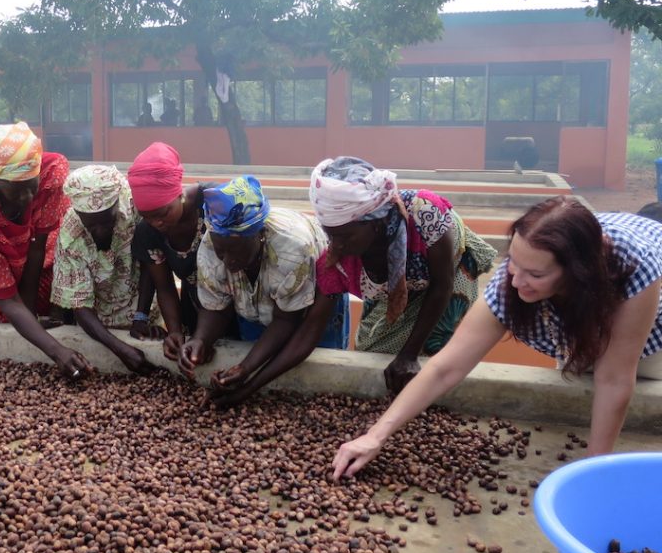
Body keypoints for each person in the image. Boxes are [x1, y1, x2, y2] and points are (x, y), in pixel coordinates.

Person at [333, 197, 662, 480]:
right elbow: (445, 367)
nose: (517, 281)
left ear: (578, 273)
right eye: (513, 262)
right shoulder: (515, 277)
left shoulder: (636, 267)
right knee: (579, 366)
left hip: (650, 311)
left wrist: (593, 471)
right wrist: (376, 435)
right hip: (579, 303)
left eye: (535, 274)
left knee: (629, 372)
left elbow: (615, 379)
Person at [306, 156, 498, 394]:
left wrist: (409, 354)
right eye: (330, 234)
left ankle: (424, 397)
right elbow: (312, 326)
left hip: (445, 276)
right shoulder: (339, 259)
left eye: (344, 236)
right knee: (372, 348)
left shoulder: (425, 212)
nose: (336, 245)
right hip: (394, 285)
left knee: (432, 352)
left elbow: (442, 285)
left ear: (375, 224)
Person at [179, 176, 349, 407]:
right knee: (258, 361)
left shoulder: (292, 250)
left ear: (259, 235)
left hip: (309, 304)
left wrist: (247, 369)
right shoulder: (210, 246)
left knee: (316, 382)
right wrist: (201, 339)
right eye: (222, 252)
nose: (228, 261)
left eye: (236, 251)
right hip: (255, 306)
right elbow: (216, 307)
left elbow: (286, 320)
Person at [0, 121, 93, 379]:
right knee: (0, 333)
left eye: (32, 186)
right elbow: (7, 300)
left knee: (36, 318)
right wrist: (56, 351)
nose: (28, 198)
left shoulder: (51, 173)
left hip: (36, 265)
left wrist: (31, 315)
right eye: (17, 191)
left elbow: (37, 248)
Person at [52, 164, 166, 376]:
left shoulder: (134, 207)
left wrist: (141, 318)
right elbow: (80, 304)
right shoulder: (70, 236)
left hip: (145, 313)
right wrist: (120, 349)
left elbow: (151, 264)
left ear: (116, 204)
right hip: (98, 325)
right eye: (91, 226)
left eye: (106, 222)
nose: (100, 231)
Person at [127, 142, 237, 359]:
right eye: (147, 216)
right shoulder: (147, 232)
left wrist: (205, 337)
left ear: (178, 194)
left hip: (238, 307)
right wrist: (175, 331)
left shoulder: (217, 204)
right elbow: (165, 286)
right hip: (195, 308)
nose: (156, 223)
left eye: (163, 213)